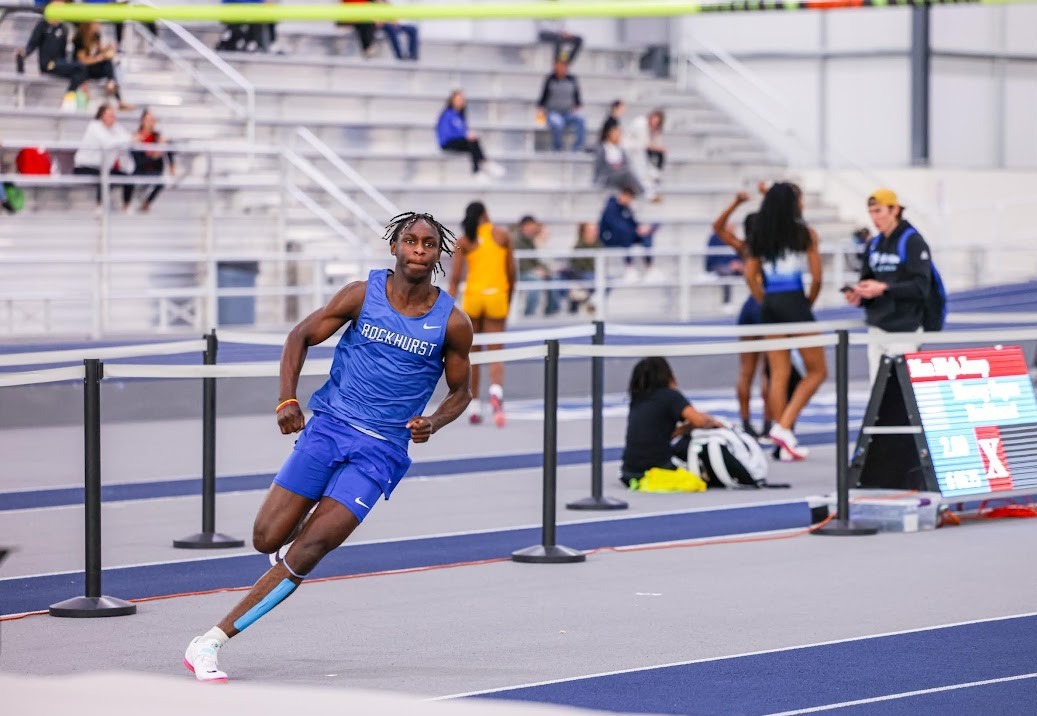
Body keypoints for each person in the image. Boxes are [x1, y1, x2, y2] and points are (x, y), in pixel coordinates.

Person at [182, 212, 474, 682]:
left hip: (381, 452)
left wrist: (435, 421)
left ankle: (209, 642)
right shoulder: (362, 294)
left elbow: (462, 391)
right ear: (395, 247)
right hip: (330, 428)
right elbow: (300, 335)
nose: (419, 249)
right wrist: (287, 398)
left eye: (428, 244)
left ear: (439, 254)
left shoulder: (453, 323)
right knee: (267, 538)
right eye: (411, 241)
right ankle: (288, 539)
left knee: (310, 548)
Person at [743, 183, 827, 460]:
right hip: (794, 301)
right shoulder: (805, 233)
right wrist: (806, 304)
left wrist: (763, 299)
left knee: (779, 374)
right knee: (818, 371)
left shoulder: (760, 234)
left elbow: (749, 275)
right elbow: (816, 278)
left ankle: (783, 444)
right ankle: (784, 426)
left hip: (771, 305)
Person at [844, 188, 933, 383]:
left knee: (902, 397)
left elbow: (921, 287)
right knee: (878, 399)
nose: (874, 218)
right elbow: (867, 282)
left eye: (879, 211)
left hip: (905, 330)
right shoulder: (874, 244)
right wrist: (858, 296)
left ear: (894, 210)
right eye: (871, 212)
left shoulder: (912, 242)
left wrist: (884, 288)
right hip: (877, 329)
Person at [711, 191, 774, 444]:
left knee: (746, 371)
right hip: (767, 307)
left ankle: (746, 422)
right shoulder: (773, 249)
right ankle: (769, 424)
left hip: (748, 308)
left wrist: (735, 202)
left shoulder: (746, 249)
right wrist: (769, 197)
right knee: (769, 372)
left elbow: (718, 227)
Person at [448, 201, 515, 427]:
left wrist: (446, 306)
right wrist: (508, 298)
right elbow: (511, 272)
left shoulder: (464, 240)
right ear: (486, 214)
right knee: (496, 353)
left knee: (473, 354)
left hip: (473, 299)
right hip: (497, 297)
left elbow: (455, 278)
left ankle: (474, 404)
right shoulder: (502, 235)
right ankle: (496, 391)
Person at [620, 356, 723, 485]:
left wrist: (687, 427)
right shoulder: (670, 396)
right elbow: (700, 421)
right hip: (659, 468)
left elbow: (660, 434)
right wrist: (712, 422)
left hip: (629, 473)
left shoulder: (638, 400)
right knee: (696, 441)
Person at [16, 0, 88, 104]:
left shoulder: (64, 28)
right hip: (48, 64)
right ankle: (68, 100)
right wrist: (24, 53)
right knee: (81, 67)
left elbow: (63, 52)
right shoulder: (42, 25)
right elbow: (32, 44)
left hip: (59, 63)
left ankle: (67, 101)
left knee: (79, 73)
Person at [73, 103, 134, 209]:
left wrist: (129, 139)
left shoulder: (115, 127)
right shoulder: (94, 126)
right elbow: (108, 143)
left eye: (114, 115)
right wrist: (128, 139)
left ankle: (126, 207)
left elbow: (128, 140)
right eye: (110, 115)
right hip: (85, 166)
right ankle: (100, 207)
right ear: (102, 116)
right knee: (106, 177)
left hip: (103, 167)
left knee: (128, 178)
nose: (113, 118)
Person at [435, 90, 504, 182]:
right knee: (471, 141)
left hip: (457, 141)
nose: (460, 102)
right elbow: (446, 133)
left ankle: (482, 165)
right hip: (447, 143)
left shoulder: (460, 115)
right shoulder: (448, 114)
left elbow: (463, 131)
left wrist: (466, 135)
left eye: (461, 100)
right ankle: (480, 167)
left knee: (473, 142)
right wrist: (465, 135)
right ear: (452, 100)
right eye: (458, 99)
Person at [598, 184, 658, 283]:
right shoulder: (610, 207)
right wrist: (635, 230)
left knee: (646, 235)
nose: (630, 200)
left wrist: (642, 229)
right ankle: (629, 268)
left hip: (625, 235)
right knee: (626, 233)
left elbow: (633, 224)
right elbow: (616, 226)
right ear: (623, 195)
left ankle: (650, 268)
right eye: (629, 197)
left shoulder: (626, 208)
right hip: (609, 237)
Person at [73, 21, 129, 110]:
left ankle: (112, 84)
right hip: (83, 69)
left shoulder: (96, 36)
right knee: (84, 67)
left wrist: (109, 48)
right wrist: (99, 58)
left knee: (108, 62)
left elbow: (99, 50)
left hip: (93, 67)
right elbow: (83, 61)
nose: (98, 26)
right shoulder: (80, 39)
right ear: (89, 25)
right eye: (96, 24)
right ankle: (111, 86)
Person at [513, 215, 560, 317]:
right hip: (519, 273)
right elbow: (518, 263)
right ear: (526, 226)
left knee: (554, 277)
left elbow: (535, 260)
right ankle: (528, 314)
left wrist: (546, 270)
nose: (535, 228)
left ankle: (551, 311)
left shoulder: (529, 240)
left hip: (530, 271)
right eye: (533, 226)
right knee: (535, 280)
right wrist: (535, 270)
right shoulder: (515, 240)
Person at [536, 60, 586, 152]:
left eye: (563, 67)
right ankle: (557, 149)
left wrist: (577, 109)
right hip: (553, 113)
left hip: (568, 113)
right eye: (559, 66)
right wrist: (540, 117)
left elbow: (577, 98)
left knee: (581, 119)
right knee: (558, 123)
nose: (561, 69)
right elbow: (543, 99)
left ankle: (577, 148)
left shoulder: (572, 80)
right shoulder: (550, 80)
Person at [131, 108, 175, 212]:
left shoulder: (157, 136)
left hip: (155, 169)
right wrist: (154, 155)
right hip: (140, 168)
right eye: (148, 120)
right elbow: (138, 159)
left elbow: (169, 149)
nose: (151, 123)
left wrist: (171, 164)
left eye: (153, 120)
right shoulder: (136, 137)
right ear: (143, 121)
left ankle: (147, 202)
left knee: (162, 180)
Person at [559, 222, 601, 313]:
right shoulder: (579, 247)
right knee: (592, 279)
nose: (594, 232)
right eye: (591, 230)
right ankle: (584, 300)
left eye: (595, 230)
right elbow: (579, 267)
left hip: (592, 274)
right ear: (583, 232)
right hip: (582, 274)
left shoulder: (599, 245)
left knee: (606, 281)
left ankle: (584, 300)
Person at [624, 109, 666, 202]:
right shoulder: (641, 123)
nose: (655, 123)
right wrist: (656, 147)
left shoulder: (654, 129)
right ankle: (649, 194)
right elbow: (643, 143)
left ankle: (651, 190)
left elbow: (656, 143)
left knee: (649, 170)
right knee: (641, 172)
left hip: (640, 151)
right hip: (631, 149)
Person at [593, 124, 644, 196]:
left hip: (620, 174)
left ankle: (639, 192)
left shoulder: (620, 149)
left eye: (619, 134)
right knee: (628, 173)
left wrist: (619, 168)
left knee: (629, 171)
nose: (618, 136)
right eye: (616, 134)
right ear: (609, 135)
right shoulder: (603, 148)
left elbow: (626, 164)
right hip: (607, 177)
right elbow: (599, 167)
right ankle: (643, 193)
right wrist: (613, 168)